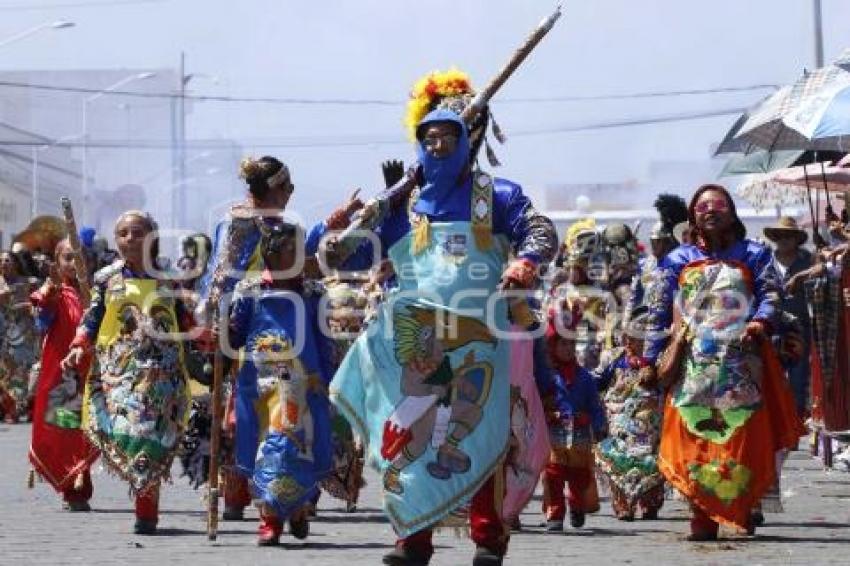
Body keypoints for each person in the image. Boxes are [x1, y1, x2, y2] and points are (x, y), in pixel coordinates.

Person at [329, 69, 557, 566]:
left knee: (480, 432)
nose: (436, 145)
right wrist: (343, 224)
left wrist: (525, 261)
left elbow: (539, 230)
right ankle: (413, 540)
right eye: (427, 137)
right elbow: (347, 257)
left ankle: (489, 538)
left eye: (447, 136)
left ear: (468, 139)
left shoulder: (496, 195)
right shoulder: (401, 204)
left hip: (482, 337)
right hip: (416, 341)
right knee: (413, 434)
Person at [645, 184, 802, 541]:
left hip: (742, 366)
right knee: (692, 439)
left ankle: (740, 505)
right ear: (692, 217)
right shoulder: (676, 261)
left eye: (718, 205)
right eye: (702, 207)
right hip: (691, 368)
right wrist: (648, 360)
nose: (710, 211)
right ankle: (701, 516)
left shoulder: (755, 255)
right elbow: (656, 315)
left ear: (732, 213)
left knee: (740, 437)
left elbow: (772, 296)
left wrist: (760, 322)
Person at [62, 210, 193, 534]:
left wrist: (206, 336)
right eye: (123, 234)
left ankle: (147, 509)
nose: (130, 239)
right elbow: (93, 318)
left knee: (152, 434)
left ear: (152, 237)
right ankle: (142, 493)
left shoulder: (169, 279)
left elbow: (184, 321)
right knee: (128, 430)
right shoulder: (106, 278)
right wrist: (79, 344)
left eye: (137, 233)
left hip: (161, 374)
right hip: (118, 373)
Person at [227, 220, 334, 545]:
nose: (301, 256)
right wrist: (216, 336)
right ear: (271, 254)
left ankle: (297, 507)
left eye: (303, 250)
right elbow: (234, 337)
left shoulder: (315, 293)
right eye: (293, 250)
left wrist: (328, 382)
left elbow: (324, 341)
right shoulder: (249, 291)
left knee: (296, 447)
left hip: (305, 386)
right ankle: (270, 518)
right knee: (267, 449)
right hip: (260, 388)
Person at [28, 239, 99, 511]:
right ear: (57, 263)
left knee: (92, 428)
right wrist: (50, 296)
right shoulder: (54, 292)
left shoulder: (97, 294)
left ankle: (83, 479)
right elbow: (42, 322)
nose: (74, 263)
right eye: (68, 258)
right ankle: (73, 487)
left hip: (95, 371)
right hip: (66, 374)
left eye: (80, 258)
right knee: (69, 428)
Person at [539, 307, 607, 531]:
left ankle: (577, 507)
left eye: (571, 345)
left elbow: (594, 404)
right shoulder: (547, 377)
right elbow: (539, 403)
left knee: (579, 477)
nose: (567, 349)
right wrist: (549, 416)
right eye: (562, 345)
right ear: (552, 347)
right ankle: (555, 514)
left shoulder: (585, 377)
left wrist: (597, 425)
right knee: (553, 476)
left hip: (579, 435)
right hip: (554, 435)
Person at [595, 306, 665, 521]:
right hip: (620, 423)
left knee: (654, 459)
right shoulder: (615, 358)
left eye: (636, 339)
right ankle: (622, 502)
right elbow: (597, 381)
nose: (629, 343)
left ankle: (649, 501)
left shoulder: (659, 360)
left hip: (650, 424)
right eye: (627, 338)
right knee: (617, 460)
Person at [764, 217, 813, 418]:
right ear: (775, 238)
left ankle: (796, 423)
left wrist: (802, 277)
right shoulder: (766, 260)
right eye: (780, 236)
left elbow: (822, 271)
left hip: (799, 328)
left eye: (789, 236)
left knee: (798, 379)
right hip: (771, 328)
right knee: (772, 378)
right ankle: (776, 427)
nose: (784, 239)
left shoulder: (807, 259)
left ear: (796, 239)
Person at [0, 250, 40, 423]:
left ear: (15, 263)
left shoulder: (29, 283)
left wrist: (29, 305)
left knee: (26, 370)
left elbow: (41, 301)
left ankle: (27, 407)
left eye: (7, 260)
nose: (4, 264)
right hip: (5, 333)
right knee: (7, 372)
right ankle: (9, 409)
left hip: (26, 332)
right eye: (1, 261)